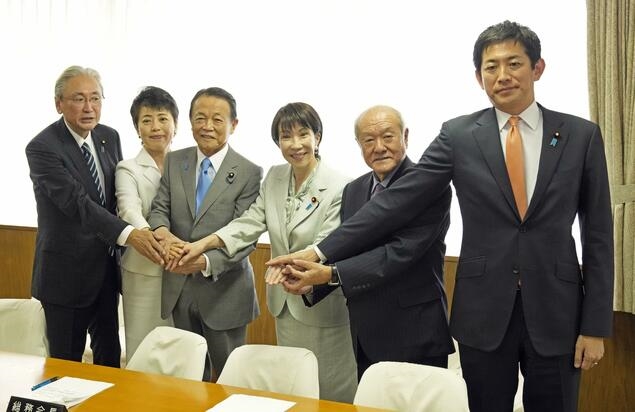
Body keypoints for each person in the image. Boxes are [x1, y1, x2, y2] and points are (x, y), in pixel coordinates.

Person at [269, 21, 614, 412]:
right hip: (483, 313)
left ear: (537, 68)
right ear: (479, 77)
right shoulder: (459, 135)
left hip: (558, 313)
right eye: (491, 67)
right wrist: (319, 252)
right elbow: (397, 200)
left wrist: (594, 326)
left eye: (514, 63)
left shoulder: (580, 136)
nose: (502, 75)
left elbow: (599, 237)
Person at [170, 102, 358, 402]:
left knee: (330, 392)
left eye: (303, 134)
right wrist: (205, 243)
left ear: (318, 137)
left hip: (321, 303)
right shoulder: (275, 177)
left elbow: (327, 243)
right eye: (286, 136)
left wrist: (289, 266)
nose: (295, 144)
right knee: (293, 388)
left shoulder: (341, 185)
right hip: (285, 302)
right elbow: (250, 221)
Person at [283, 105, 455, 380]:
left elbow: (399, 253)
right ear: (359, 145)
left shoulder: (429, 185)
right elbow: (350, 248)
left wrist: (330, 273)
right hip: (364, 331)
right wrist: (311, 283)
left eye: (387, 137)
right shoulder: (354, 189)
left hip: (415, 331)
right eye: (368, 140)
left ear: (405, 137)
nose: (379, 147)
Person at [25, 65, 164, 366]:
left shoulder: (108, 137)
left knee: (109, 360)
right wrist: (130, 235)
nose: (89, 107)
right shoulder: (42, 148)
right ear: (59, 103)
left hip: (105, 272)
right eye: (78, 99)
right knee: (65, 367)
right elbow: (77, 203)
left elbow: (117, 196)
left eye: (95, 98)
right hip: (65, 277)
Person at [146, 87, 262, 380]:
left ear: (234, 124)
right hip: (179, 286)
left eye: (217, 119)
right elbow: (159, 208)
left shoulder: (249, 172)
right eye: (200, 118)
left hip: (225, 291)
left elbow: (245, 235)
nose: (207, 126)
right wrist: (164, 237)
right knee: (187, 376)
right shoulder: (175, 161)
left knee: (227, 378)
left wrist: (205, 261)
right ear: (190, 121)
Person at [115, 86, 178, 361]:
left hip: (183, 271)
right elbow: (129, 210)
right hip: (143, 272)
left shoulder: (188, 165)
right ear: (137, 128)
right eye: (147, 120)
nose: (155, 127)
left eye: (163, 119)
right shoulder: (127, 168)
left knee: (180, 351)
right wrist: (154, 239)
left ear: (175, 125)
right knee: (142, 348)